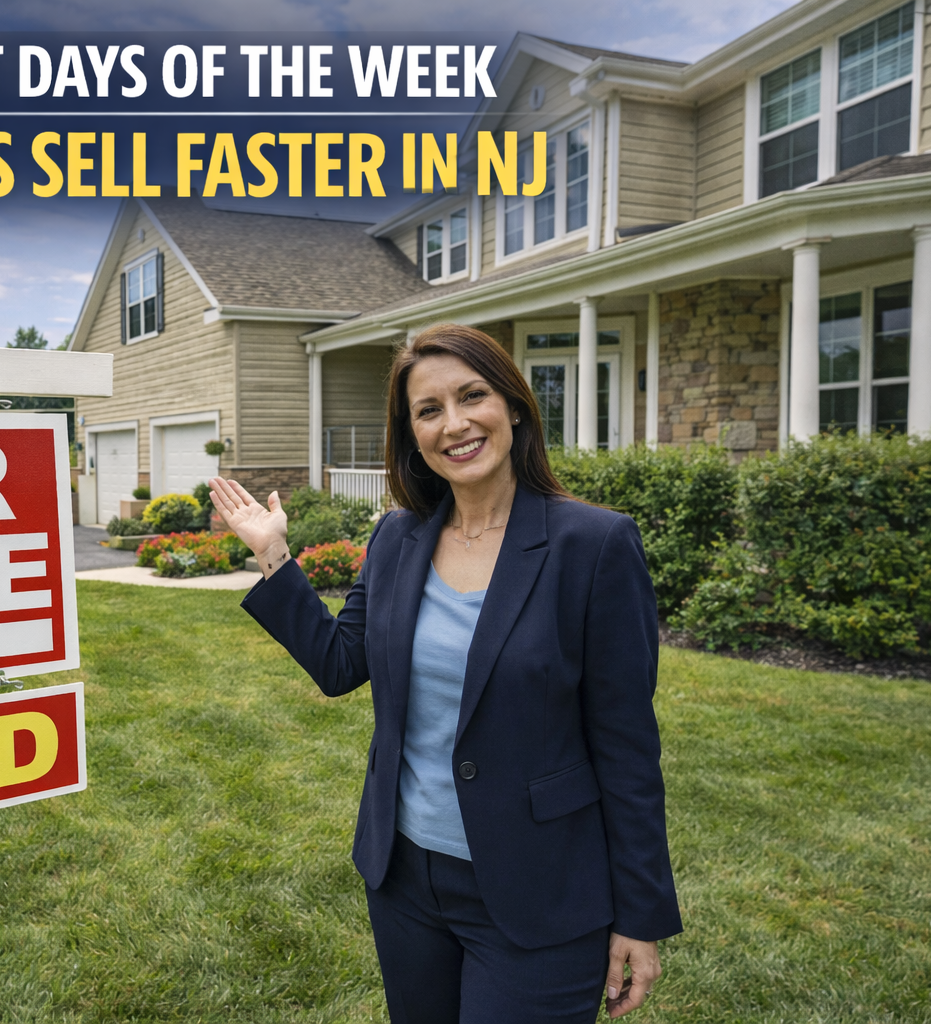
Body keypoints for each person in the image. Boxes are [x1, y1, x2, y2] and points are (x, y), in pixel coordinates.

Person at [208, 323, 682, 1024]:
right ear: (413, 434)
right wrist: (276, 558)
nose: (454, 424)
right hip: (405, 880)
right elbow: (342, 664)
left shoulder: (594, 545)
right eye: (429, 411)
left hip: (538, 888)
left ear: (513, 406)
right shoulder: (400, 536)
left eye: (472, 396)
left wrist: (639, 915)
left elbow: (627, 747)